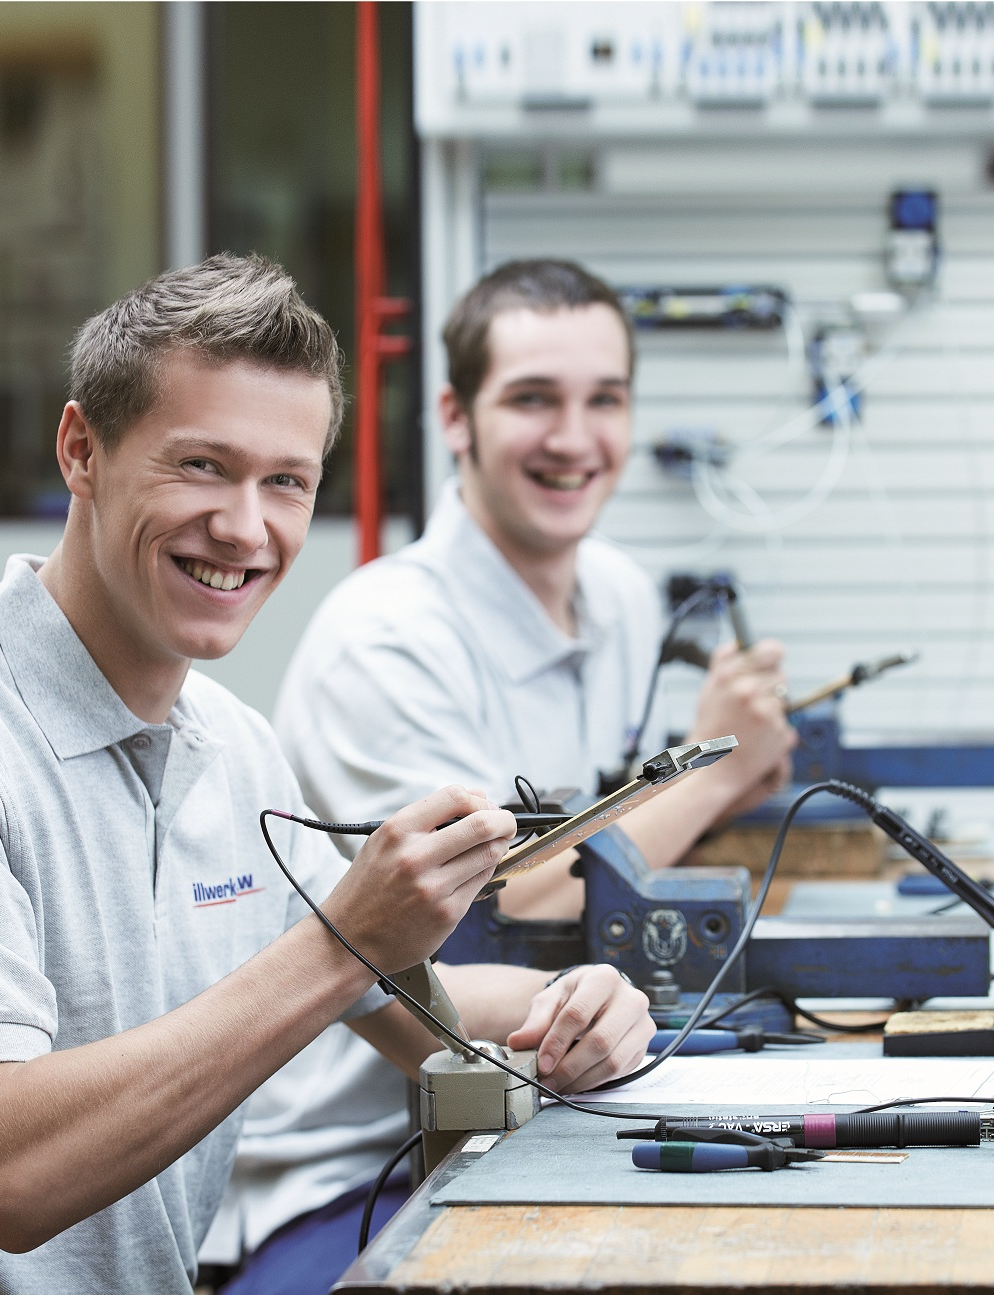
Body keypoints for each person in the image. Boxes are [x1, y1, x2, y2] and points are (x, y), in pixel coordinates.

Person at [0, 254, 649, 1295]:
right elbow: (7, 1173)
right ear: (81, 449)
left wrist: (574, 1005)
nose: (245, 527)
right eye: (200, 466)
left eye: (286, 482)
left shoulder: (231, 748)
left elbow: (407, 1012)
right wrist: (345, 936)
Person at [200, 260, 797, 1288]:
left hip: (554, 1103)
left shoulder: (617, 596)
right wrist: (713, 775)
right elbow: (504, 890)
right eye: (532, 399)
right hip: (360, 1164)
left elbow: (600, 836)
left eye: (602, 399)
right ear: (456, 416)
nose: (573, 439)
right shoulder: (384, 640)